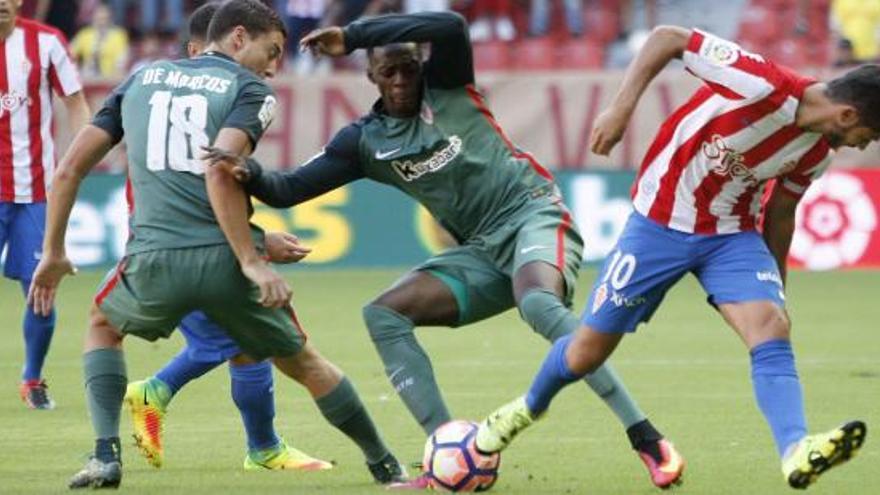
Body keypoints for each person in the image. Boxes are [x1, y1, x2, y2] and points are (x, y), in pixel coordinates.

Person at [205, 11, 685, 489]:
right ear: (370, 76)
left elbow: (451, 25)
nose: (398, 81)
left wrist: (352, 36)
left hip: (534, 215)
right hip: (481, 252)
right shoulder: (364, 142)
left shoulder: (450, 83)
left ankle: (645, 436)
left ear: (421, 67)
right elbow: (287, 190)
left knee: (539, 303)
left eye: (408, 68)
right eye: (387, 72)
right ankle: (448, 459)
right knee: (383, 315)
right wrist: (249, 171)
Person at [474, 25, 874, 490]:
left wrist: (775, 285)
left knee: (771, 326)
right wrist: (621, 108)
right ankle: (522, 412)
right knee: (585, 353)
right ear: (847, 114)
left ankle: (795, 450)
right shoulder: (762, 83)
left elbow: (781, 213)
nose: (865, 146)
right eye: (870, 135)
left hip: (731, 234)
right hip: (659, 224)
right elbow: (668, 38)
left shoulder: (815, 152)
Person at [28, 0, 404, 489]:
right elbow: (219, 167)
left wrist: (54, 251)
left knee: (102, 325)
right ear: (239, 37)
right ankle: (385, 465)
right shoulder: (249, 89)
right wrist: (252, 258)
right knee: (304, 362)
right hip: (223, 260)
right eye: (272, 51)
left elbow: (68, 169)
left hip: (151, 258)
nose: (274, 67)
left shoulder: (142, 79)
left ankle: (105, 456)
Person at [121, 1, 331, 473]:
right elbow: (206, 186)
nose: (272, 69)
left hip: (184, 239)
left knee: (244, 342)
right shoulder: (199, 101)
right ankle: (158, 392)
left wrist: (255, 242)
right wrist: (255, 249)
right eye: (269, 53)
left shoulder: (169, 109)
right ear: (197, 52)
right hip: (183, 246)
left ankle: (263, 447)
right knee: (243, 336)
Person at [0, 0, 90, 410]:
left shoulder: (47, 42)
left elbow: (75, 103)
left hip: (35, 191)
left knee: (41, 288)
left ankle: (32, 379)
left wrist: (79, 159)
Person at [70, 2, 130, 78]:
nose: (102, 22)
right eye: (99, 18)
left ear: (110, 19)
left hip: (110, 79)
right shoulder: (84, 34)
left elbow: (122, 60)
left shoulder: (119, 35)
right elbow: (70, 53)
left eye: (105, 18)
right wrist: (76, 70)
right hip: (87, 77)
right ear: (93, 18)